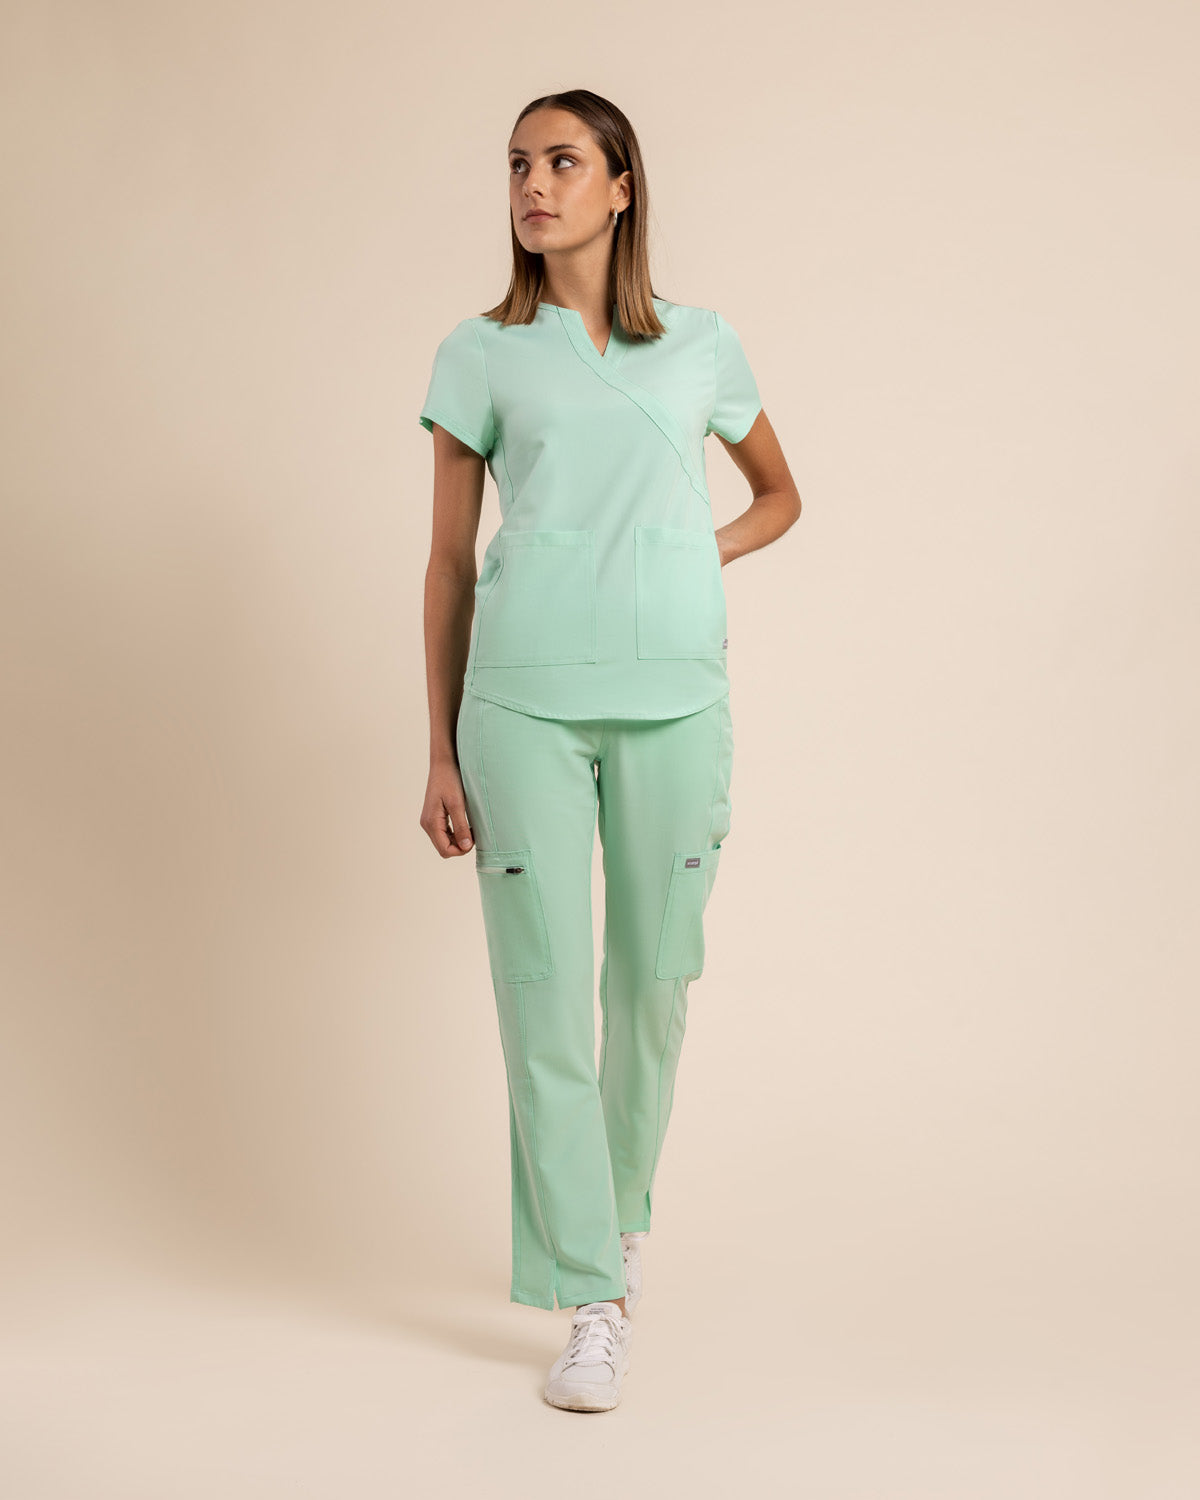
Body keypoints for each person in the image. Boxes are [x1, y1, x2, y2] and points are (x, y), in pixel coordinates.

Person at [418, 88, 802, 1411]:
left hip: (676, 697)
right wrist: (438, 752)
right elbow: (447, 561)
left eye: (563, 162)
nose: (534, 184)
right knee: (541, 994)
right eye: (518, 164)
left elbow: (780, 495)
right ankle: (592, 1295)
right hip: (520, 703)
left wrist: (689, 557)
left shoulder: (701, 344)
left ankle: (618, 1222)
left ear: (622, 185)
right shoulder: (480, 352)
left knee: (652, 983)